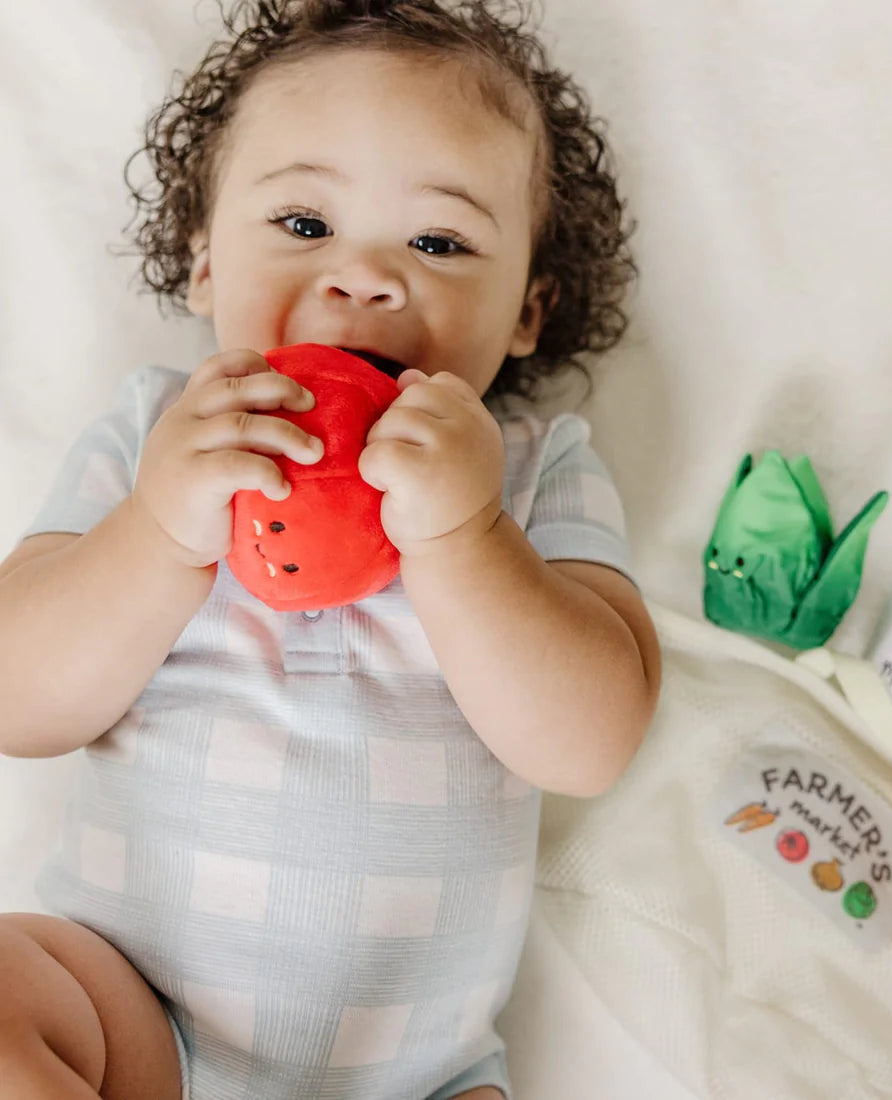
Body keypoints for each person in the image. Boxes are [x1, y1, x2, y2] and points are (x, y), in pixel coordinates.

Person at [0, 1, 660, 1097]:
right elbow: (16, 699)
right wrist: (158, 531)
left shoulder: (531, 470)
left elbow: (590, 744)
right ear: (204, 265)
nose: (364, 277)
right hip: (133, 1013)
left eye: (439, 242)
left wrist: (464, 536)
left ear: (527, 312)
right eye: (304, 223)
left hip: (416, 1072)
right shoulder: (160, 434)